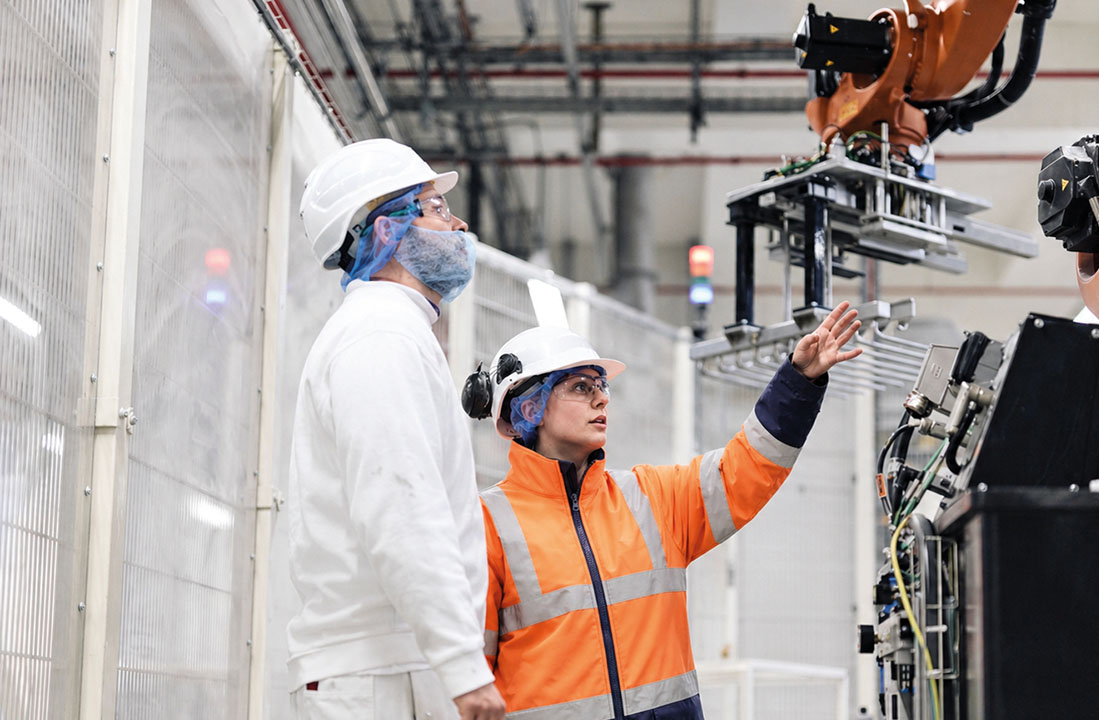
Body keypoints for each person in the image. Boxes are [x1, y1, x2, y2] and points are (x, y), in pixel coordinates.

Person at [461, 303, 863, 719]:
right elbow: (468, 675)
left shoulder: (651, 497)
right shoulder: (487, 524)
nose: (601, 397)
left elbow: (745, 469)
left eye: (602, 385)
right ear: (529, 408)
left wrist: (797, 383)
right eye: (581, 387)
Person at [288, 138, 504, 720]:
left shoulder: (392, 331)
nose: (458, 224)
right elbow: (400, 504)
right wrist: (463, 665)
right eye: (436, 209)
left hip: (394, 666)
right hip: (377, 676)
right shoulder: (380, 335)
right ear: (386, 233)